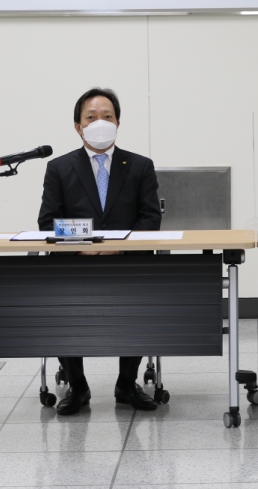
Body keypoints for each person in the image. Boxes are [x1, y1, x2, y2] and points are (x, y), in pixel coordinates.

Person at [38, 87, 163, 415]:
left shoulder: (140, 166)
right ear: (78, 126)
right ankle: (78, 387)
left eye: (107, 116)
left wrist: (117, 249)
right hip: (75, 265)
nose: (100, 123)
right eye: (91, 117)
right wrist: (83, 248)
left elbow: (150, 218)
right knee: (65, 311)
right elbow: (48, 222)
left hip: (128, 264)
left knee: (138, 308)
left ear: (118, 122)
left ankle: (127, 384)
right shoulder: (59, 168)